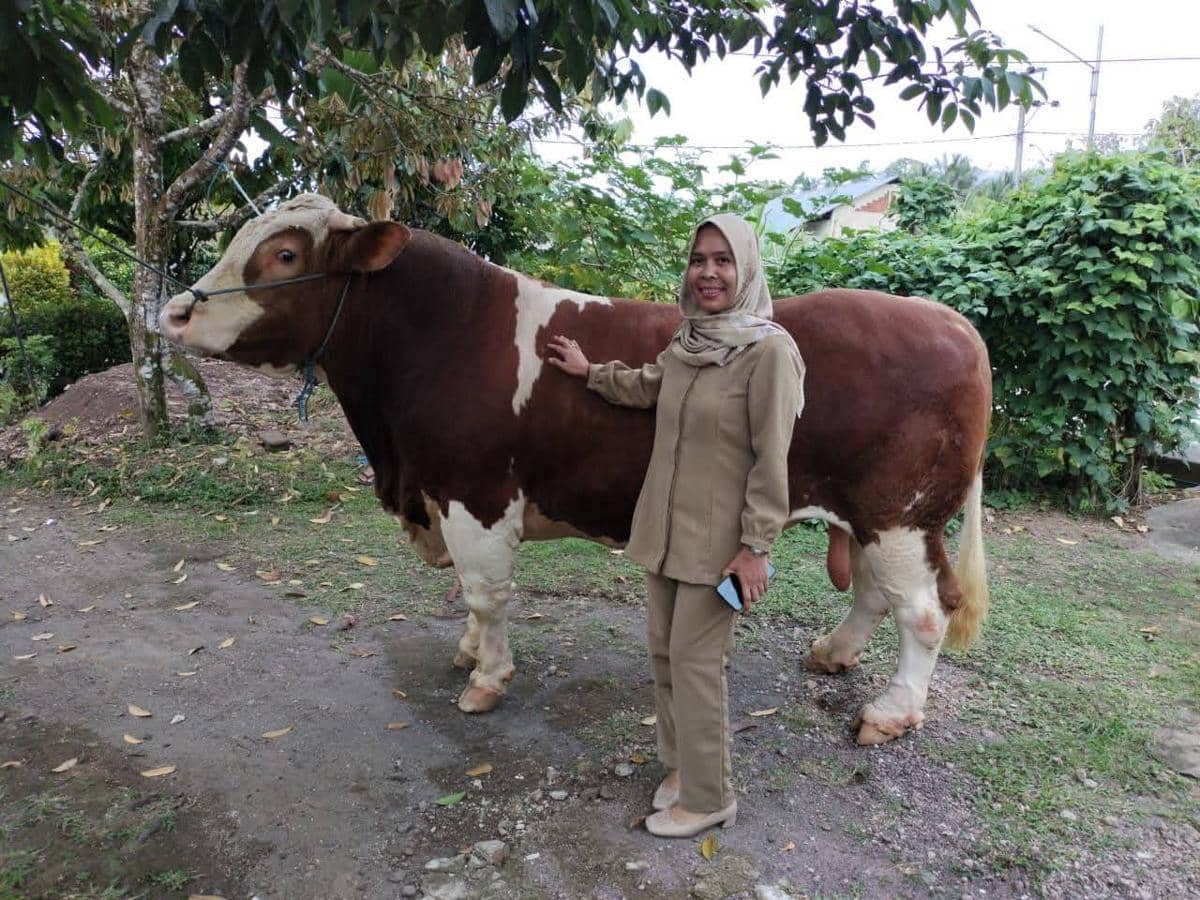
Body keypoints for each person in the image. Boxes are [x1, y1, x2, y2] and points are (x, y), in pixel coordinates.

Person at [546, 214, 805, 838]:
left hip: (721, 544)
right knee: (664, 654)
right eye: (699, 259)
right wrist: (591, 372)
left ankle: (711, 794)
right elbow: (648, 387)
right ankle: (682, 767)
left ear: (745, 269)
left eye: (723, 260)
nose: (709, 272)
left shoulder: (767, 352)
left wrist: (756, 549)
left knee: (696, 662)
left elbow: (774, 460)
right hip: (665, 531)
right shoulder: (689, 342)